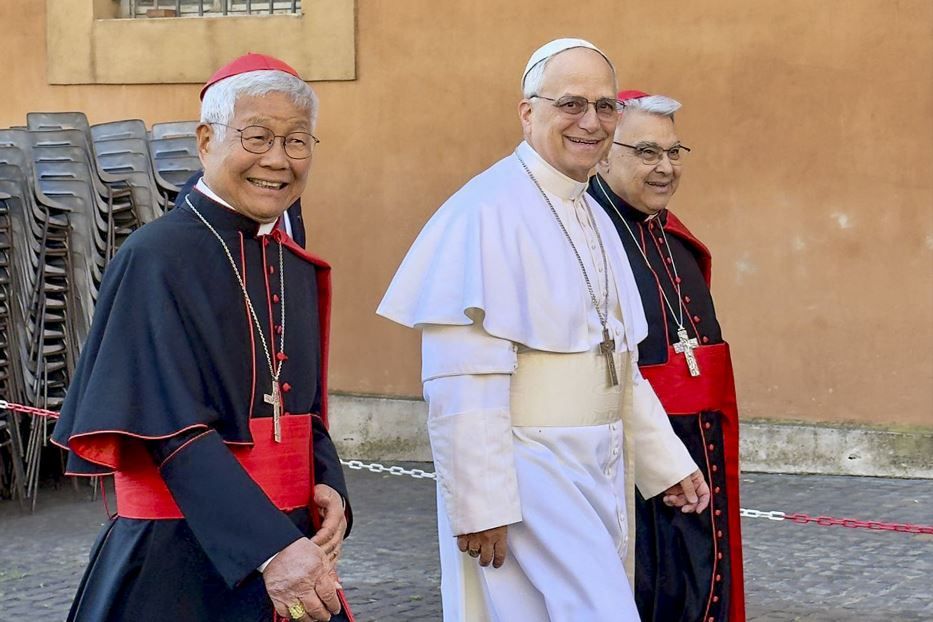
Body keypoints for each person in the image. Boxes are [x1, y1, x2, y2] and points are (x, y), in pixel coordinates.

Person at [377, 38, 710, 621]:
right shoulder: (484, 212)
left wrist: (666, 462)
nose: (591, 122)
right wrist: (480, 501)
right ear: (528, 112)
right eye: (571, 104)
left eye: (605, 107)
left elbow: (619, 363)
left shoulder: (592, 213)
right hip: (527, 468)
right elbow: (460, 379)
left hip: (599, 460)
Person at [51, 53, 354, 622]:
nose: (278, 160)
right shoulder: (155, 258)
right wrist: (269, 548)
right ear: (206, 140)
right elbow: (169, 429)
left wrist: (330, 486)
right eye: (257, 137)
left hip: (290, 544)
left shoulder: (291, 262)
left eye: (297, 142)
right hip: (180, 560)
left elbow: (303, 411)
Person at [589, 90, 745, 621]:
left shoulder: (671, 235)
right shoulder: (587, 237)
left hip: (700, 443)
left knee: (701, 583)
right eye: (648, 152)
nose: (665, 168)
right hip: (630, 459)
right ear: (605, 152)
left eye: (675, 152)